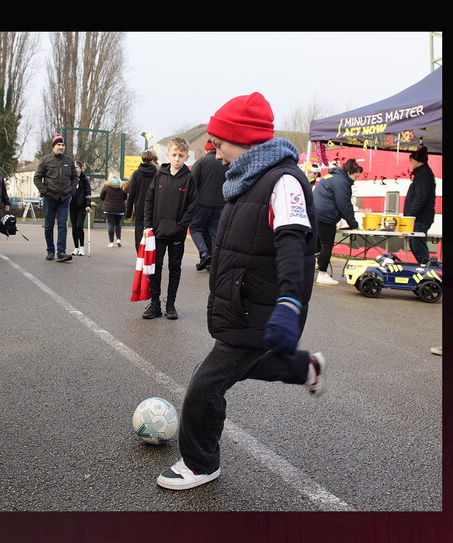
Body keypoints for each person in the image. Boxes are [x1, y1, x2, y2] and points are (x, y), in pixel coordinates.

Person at [155, 92, 325, 491]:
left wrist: (287, 302)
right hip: (245, 301)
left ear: (245, 139)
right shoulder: (246, 177)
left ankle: (200, 463)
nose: (214, 152)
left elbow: (292, 244)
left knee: (206, 383)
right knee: (236, 367)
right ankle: (306, 368)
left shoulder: (283, 181)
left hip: (263, 305)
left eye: (220, 143)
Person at [142, 137, 197, 320]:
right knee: (155, 267)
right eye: (174, 155)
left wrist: (181, 227)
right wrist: (148, 225)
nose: (177, 158)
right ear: (168, 155)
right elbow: (149, 200)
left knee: (175, 268)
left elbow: (192, 206)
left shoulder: (189, 179)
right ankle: (155, 303)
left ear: (186, 157)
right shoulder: (159, 175)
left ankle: (171, 304)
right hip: (157, 232)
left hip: (176, 234)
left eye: (181, 156)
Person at [311, 158, 362, 285]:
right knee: (327, 245)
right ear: (350, 173)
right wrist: (354, 225)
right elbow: (344, 205)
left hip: (314, 213)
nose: (355, 180)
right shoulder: (342, 182)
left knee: (315, 245)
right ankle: (322, 273)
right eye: (356, 176)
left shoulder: (331, 176)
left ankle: (314, 265)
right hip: (326, 216)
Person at [33, 134, 77, 262]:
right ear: (53, 146)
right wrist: (44, 191)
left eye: (63, 145)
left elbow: (75, 177)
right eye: (58, 145)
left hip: (64, 198)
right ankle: (50, 250)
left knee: (62, 224)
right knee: (49, 225)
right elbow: (37, 178)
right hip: (50, 197)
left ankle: (61, 251)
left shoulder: (69, 161)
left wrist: (72, 191)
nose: (61, 147)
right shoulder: (45, 160)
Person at [189, 141, 227, 271]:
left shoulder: (200, 162)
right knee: (214, 232)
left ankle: (204, 253)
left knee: (195, 228)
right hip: (220, 204)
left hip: (202, 204)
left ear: (206, 150)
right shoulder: (225, 163)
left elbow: (192, 183)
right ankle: (214, 262)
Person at [403, 145, 436, 265]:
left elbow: (420, 198)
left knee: (418, 246)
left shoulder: (424, 175)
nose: (410, 162)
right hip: (417, 219)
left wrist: (409, 216)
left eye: (411, 159)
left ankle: (428, 270)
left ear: (418, 161)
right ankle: (425, 268)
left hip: (419, 218)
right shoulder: (422, 174)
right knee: (414, 244)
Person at [125, 149, 159, 251]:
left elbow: (132, 194)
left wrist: (129, 212)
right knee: (153, 233)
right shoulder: (158, 173)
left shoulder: (137, 173)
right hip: (155, 207)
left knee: (139, 234)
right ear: (152, 159)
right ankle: (151, 258)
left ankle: (141, 257)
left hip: (140, 207)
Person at [70, 161, 93, 256]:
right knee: (74, 227)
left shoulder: (84, 179)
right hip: (72, 205)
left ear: (81, 168)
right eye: (74, 167)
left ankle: (82, 247)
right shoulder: (70, 179)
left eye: (77, 167)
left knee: (79, 225)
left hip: (82, 206)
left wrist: (88, 204)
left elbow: (88, 192)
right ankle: (76, 247)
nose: (76, 169)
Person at [99, 177, 127, 247]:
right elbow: (125, 197)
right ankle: (118, 239)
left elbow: (101, 196)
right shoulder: (122, 188)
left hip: (109, 209)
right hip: (119, 209)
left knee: (111, 224)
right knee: (118, 224)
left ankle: (111, 242)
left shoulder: (106, 187)